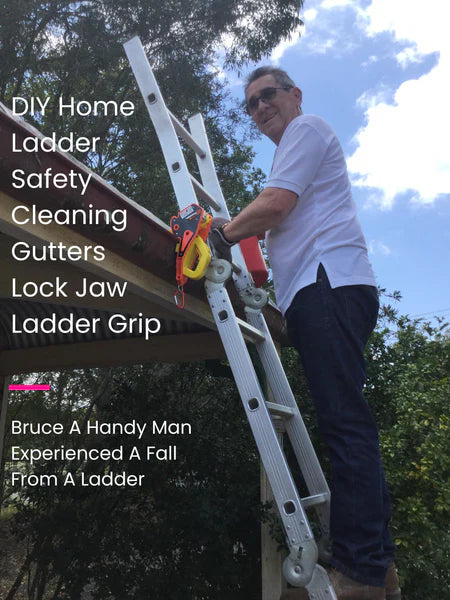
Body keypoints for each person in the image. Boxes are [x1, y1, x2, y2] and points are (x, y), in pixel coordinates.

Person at [209, 66, 401, 600]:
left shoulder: (306, 129)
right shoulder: (292, 148)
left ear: (294, 96)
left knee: (345, 427)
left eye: (267, 95)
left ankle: (360, 573)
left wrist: (217, 235)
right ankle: (378, 569)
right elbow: (275, 221)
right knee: (349, 424)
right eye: (250, 104)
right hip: (322, 291)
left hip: (327, 286)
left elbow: (274, 206)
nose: (259, 108)